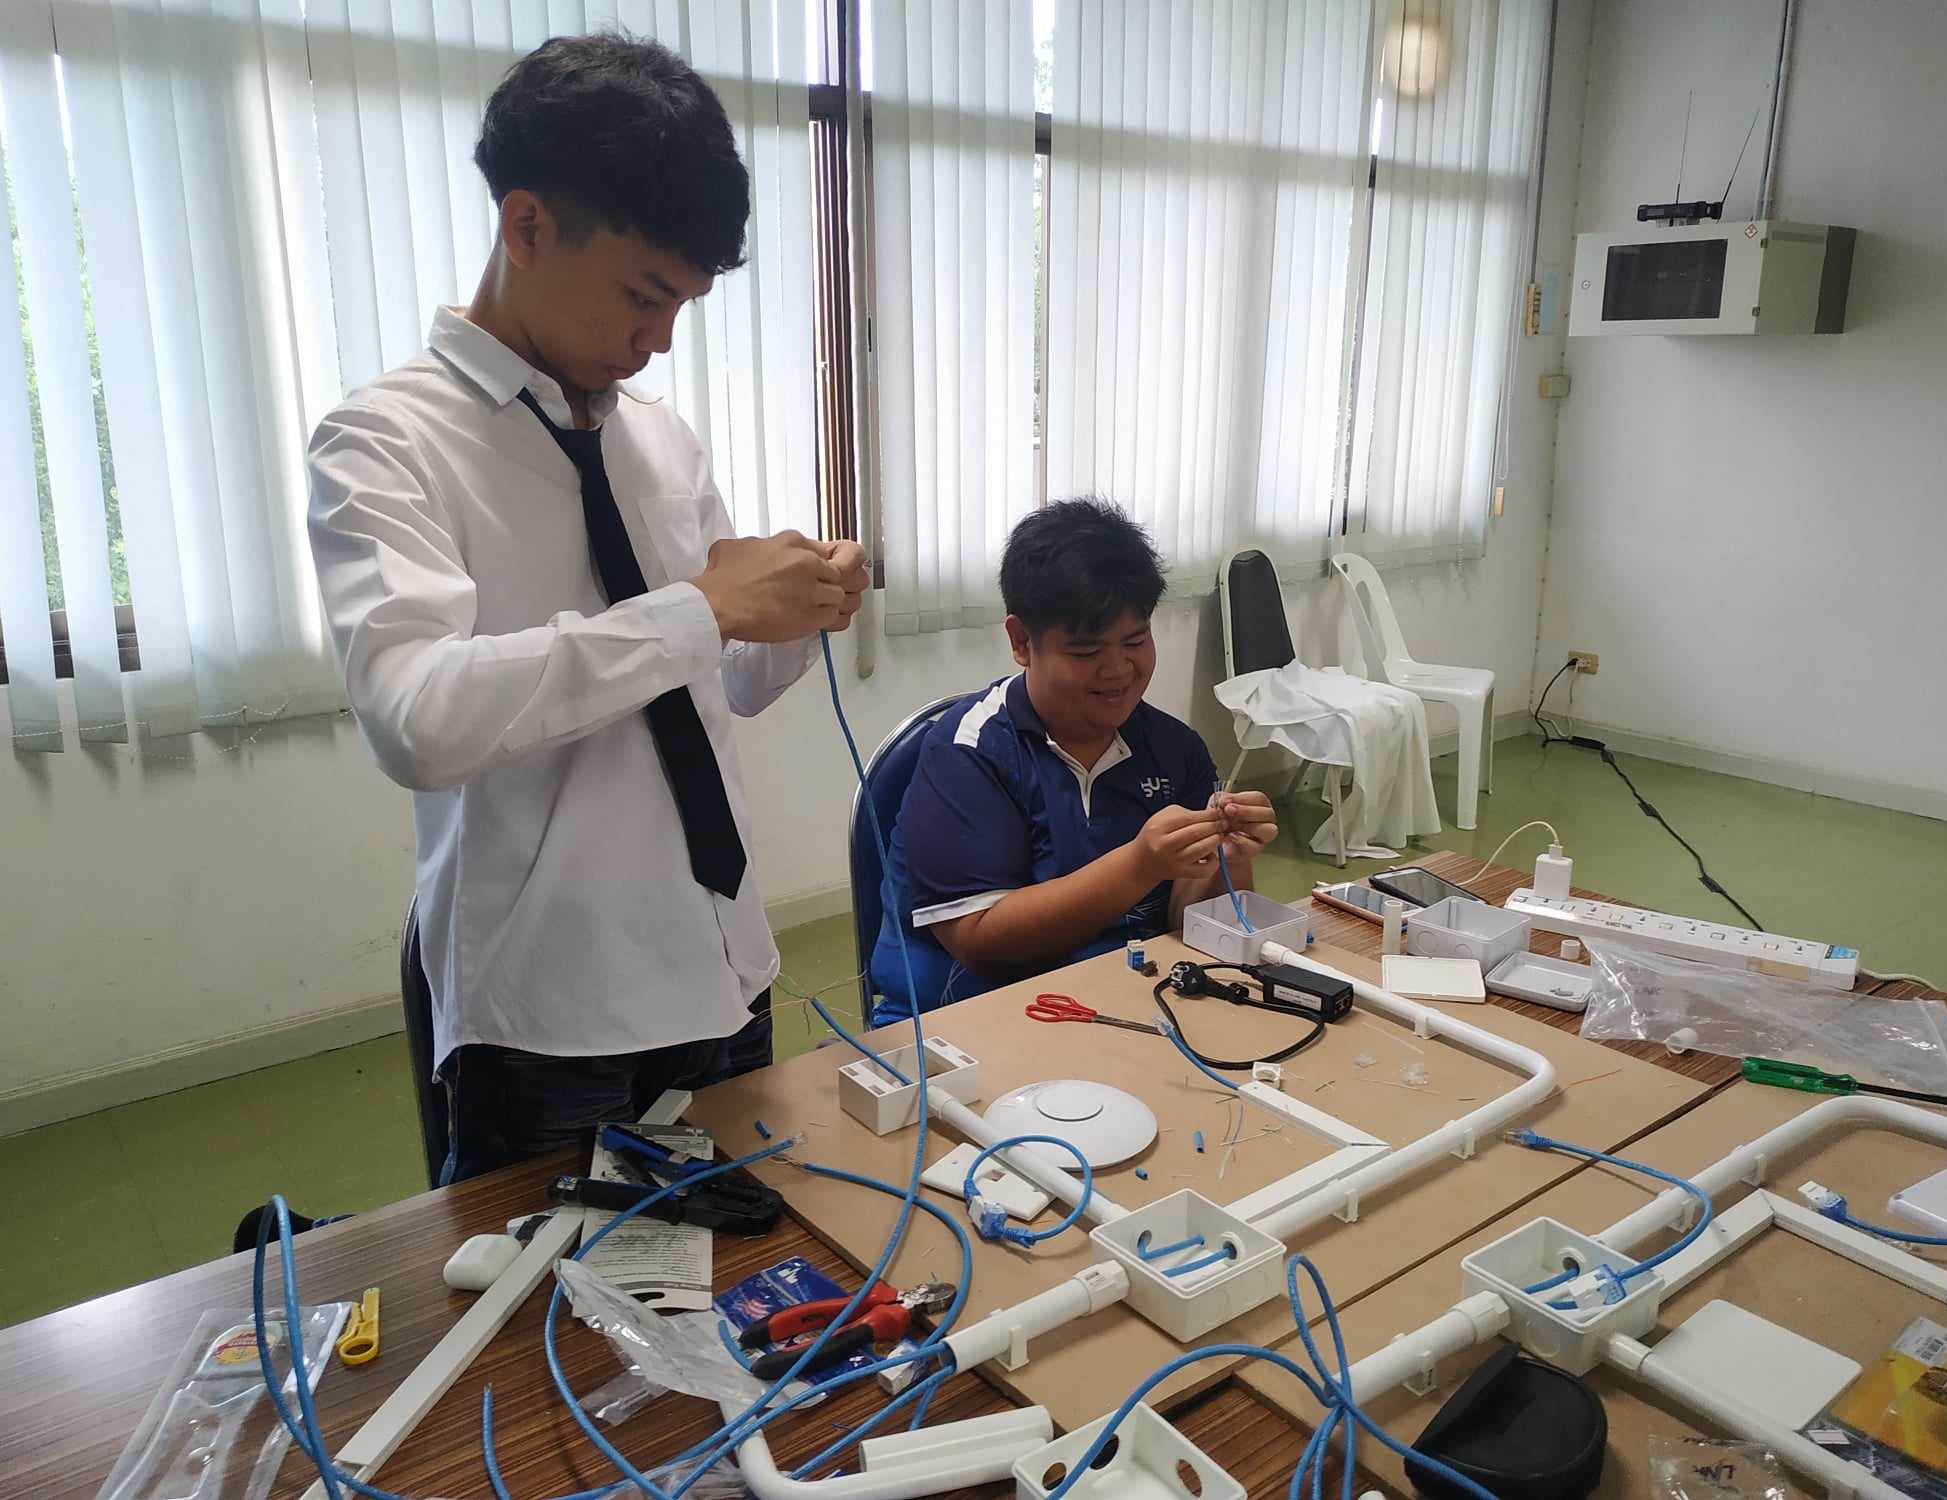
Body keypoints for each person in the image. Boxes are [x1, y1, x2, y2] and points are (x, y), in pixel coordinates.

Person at [306, 35, 867, 1182]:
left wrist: (800, 605)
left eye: (683, 305)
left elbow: (727, 680)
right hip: (546, 1007)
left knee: (745, 1266)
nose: (658, 340)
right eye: (642, 296)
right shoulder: (382, 443)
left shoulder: (657, 437)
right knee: (549, 1290)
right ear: (526, 227)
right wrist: (700, 608)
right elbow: (418, 721)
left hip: (718, 958)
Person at [871, 499, 1278, 1019]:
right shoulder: (968, 754)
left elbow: (1193, 922)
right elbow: (981, 942)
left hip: (1123, 1005)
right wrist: (1139, 864)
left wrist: (1229, 857)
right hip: (967, 1019)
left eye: (1135, 641)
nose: (1118, 670)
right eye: (1086, 652)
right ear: (1022, 641)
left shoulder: (1175, 748)